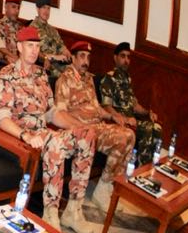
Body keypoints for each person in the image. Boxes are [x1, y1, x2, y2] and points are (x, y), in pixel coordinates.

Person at [0, 26, 98, 233]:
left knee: (88, 135)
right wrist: (26, 135)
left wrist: (76, 126)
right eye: (30, 46)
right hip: (20, 138)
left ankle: (74, 210)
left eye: (37, 46)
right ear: (19, 47)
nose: (34, 51)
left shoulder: (42, 75)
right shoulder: (7, 75)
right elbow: (2, 119)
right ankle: (50, 213)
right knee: (56, 142)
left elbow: (52, 114)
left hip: (44, 134)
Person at [55, 41, 135, 214]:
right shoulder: (64, 80)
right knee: (122, 138)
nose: (86, 61)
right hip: (81, 130)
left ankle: (106, 186)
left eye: (88, 57)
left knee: (130, 134)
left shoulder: (88, 79)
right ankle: (103, 189)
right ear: (73, 58)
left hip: (98, 126)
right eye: (82, 56)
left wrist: (112, 116)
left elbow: (97, 108)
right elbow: (60, 113)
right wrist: (82, 128)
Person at [100, 41, 162, 155]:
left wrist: (148, 113)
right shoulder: (108, 79)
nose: (126, 60)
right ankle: (141, 164)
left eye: (128, 57)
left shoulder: (127, 79)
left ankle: (148, 163)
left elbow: (134, 105)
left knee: (157, 128)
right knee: (149, 129)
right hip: (118, 122)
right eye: (123, 56)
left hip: (131, 121)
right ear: (115, 58)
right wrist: (123, 118)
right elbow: (106, 106)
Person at [32, 0, 71, 83]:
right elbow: (34, 51)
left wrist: (65, 50)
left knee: (76, 74)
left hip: (61, 63)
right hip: (47, 65)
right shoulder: (32, 29)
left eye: (48, 8)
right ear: (38, 9)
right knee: (67, 80)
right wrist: (48, 57)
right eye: (44, 8)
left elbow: (61, 45)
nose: (46, 11)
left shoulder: (53, 30)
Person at [0, 0, 26, 65]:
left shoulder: (21, 27)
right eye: (13, 7)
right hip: (7, 62)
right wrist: (17, 59)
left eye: (18, 8)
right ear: (6, 7)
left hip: (23, 63)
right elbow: (1, 48)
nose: (17, 11)